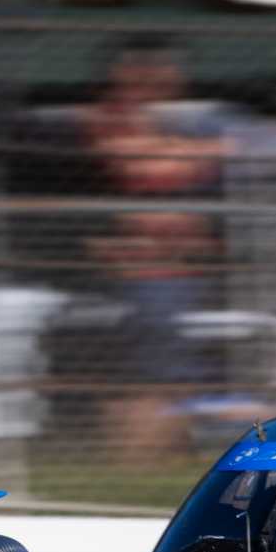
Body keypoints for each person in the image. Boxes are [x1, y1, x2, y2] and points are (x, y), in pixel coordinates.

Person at [76, 36, 227, 463]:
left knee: (180, 377)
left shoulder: (175, 122)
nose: (164, 83)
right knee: (151, 379)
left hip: (182, 272)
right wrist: (198, 153)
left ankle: (165, 457)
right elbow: (151, 169)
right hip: (143, 277)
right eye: (149, 72)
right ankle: (135, 460)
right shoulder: (111, 117)